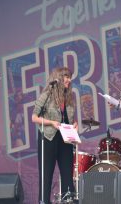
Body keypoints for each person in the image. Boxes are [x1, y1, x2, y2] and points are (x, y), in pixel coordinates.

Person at [32, 67, 78, 204]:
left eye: (70, 77)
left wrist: (75, 124)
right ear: (58, 78)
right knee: (46, 175)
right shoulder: (47, 94)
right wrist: (51, 122)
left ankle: (68, 200)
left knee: (67, 174)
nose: (69, 80)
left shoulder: (69, 97)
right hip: (48, 138)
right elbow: (34, 117)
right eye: (66, 77)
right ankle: (44, 201)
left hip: (65, 138)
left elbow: (68, 119)